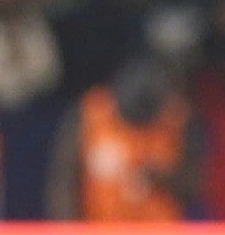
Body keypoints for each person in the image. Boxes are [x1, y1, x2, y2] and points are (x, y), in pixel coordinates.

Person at [45, 57, 206, 221]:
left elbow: (195, 185)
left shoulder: (177, 117)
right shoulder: (92, 114)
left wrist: (157, 177)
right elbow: (63, 182)